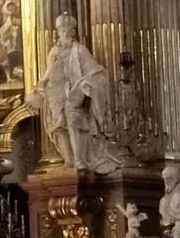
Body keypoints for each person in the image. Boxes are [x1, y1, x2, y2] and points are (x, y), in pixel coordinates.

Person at [27, 13, 117, 172]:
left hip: (74, 92)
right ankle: (68, 160)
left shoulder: (80, 50)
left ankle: (79, 159)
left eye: (68, 30)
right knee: (58, 125)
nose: (65, 34)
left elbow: (94, 71)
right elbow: (48, 72)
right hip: (56, 91)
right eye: (62, 30)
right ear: (58, 32)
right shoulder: (54, 51)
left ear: (73, 32)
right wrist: (41, 83)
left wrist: (86, 84)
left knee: (73, 118)